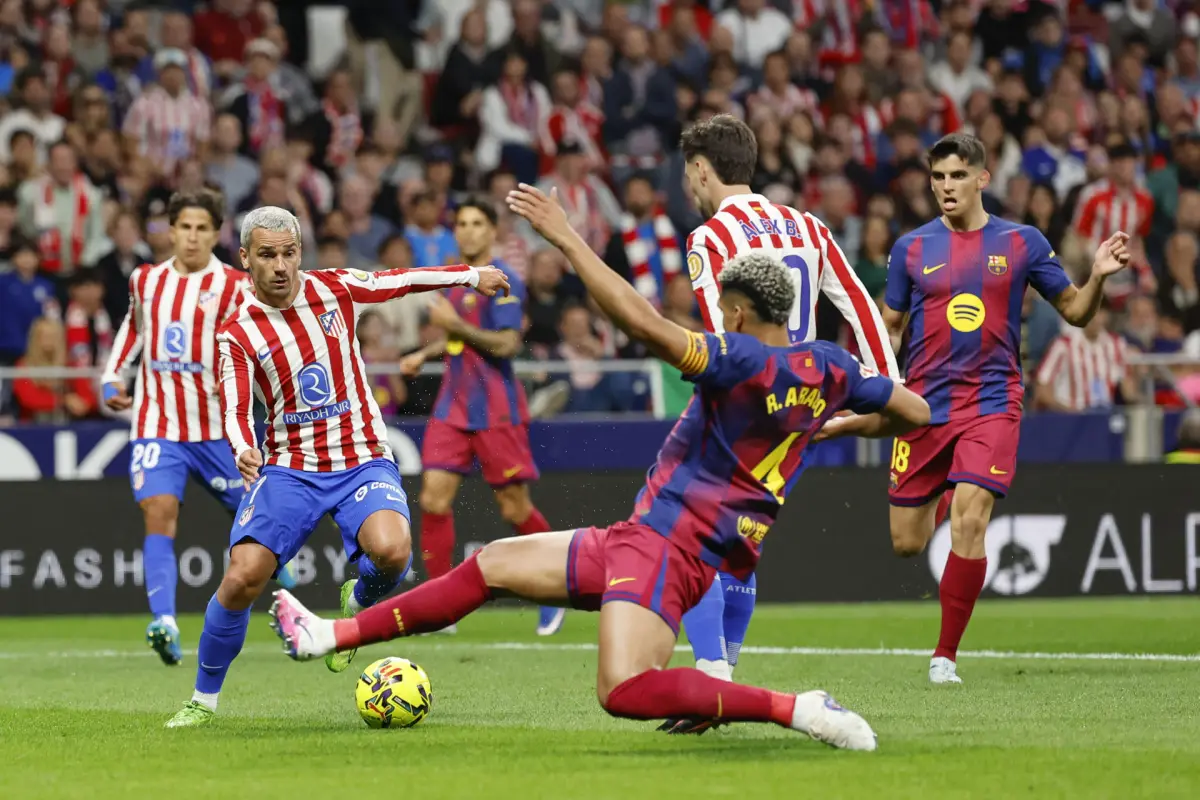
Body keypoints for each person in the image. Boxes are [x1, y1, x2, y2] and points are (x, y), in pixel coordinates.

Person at [268, 183, 931, 749]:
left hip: (669, 549)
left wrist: (568, 240)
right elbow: (915, 413)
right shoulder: (832, 367)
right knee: (491, 565)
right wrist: (830, 423)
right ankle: (331, 633)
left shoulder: (738, 358)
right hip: (644, 539)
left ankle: (801, 708)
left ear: (735, 311)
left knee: (622, 691)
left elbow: (641, 323)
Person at [163, 206, 510, 727]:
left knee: (393, 553)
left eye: (288, 253)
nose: (280, 265)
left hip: (361, 456)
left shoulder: (336, 288)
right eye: (267, 255)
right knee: (241, 577)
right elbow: (234, 407)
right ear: (244, 259)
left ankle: (358, 597)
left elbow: (401, 280)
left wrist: (470, 273)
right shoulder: (237, 332)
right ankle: (202, 700)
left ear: (300, 252)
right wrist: (241, 448)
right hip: (289, 467)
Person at [823, 132, 1129, 685]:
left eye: (958, 176)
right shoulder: (911, 248)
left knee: (971, 515)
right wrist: (860, 380)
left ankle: (945, 657)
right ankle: (937, 481)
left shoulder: (1022, 242)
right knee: (906, 542)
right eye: (938, 177)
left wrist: (1099, 278)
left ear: (982, 179)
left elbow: (1077, 312)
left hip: (992, 400)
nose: (946, 187)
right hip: (923, 405)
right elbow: (886, 330)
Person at [673, 113, 899, 717]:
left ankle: (711, 676)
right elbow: (859, 306)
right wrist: (886, 383)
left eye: (688, 175)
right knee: (743, 545)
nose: (689, 188)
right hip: (800, 407)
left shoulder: (711, 238)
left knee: (690, 541)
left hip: (743, 404)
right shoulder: (807, 225)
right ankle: (726, 667)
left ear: (701, 169)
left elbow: (723, 329)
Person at [99, 189, 292, 666]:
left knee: (256, 529)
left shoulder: (235, 285)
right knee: (159, 511)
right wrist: (110, 378)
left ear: (217, 233)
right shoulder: (146, 280)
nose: (192, 236)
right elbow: (134, 330)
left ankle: (289, 600)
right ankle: (163, 621)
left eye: (202, 227)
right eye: (184, 226)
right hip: (157, 424)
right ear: (170, 230)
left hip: (216, 431)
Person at [399, 198, 563, 636]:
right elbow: (459, 338)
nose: (468, 231)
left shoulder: (504, 282)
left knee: (515, 508)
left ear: (493, 231)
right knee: (433, 499)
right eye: (462, 224)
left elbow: (508, 344)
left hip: (496, 411)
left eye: (477, 223)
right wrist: (425, 352)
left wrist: (454, 325)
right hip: (452, 408)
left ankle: (557, 589)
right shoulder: (456, 279)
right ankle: (438, 606)